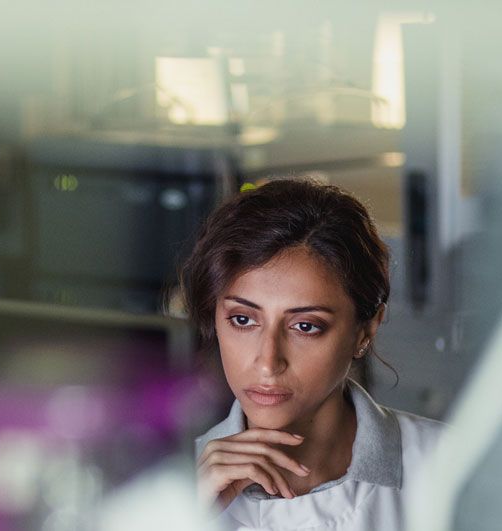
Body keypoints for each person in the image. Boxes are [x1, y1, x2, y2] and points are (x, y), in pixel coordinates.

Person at [179, 179, 444, 530]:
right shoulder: (163, 490)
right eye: (243, 320)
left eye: (305, 326)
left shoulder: (452, 464)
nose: (268, 362)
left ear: (366, 329)